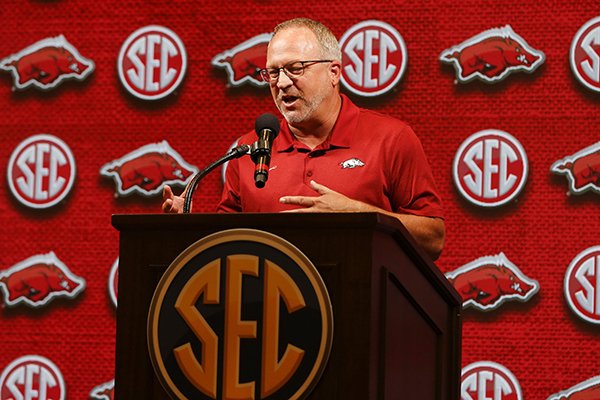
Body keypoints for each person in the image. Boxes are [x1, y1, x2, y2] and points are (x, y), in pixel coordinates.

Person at [162, 18, 445, 260]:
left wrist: (358, 215)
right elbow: (226, 245)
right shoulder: (249, 149)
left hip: (361, 308)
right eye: (273, 72)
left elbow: (433, 239)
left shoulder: (392, 138)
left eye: (295, 68)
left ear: (334, 72)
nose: (282, 83)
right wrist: (184, 226)